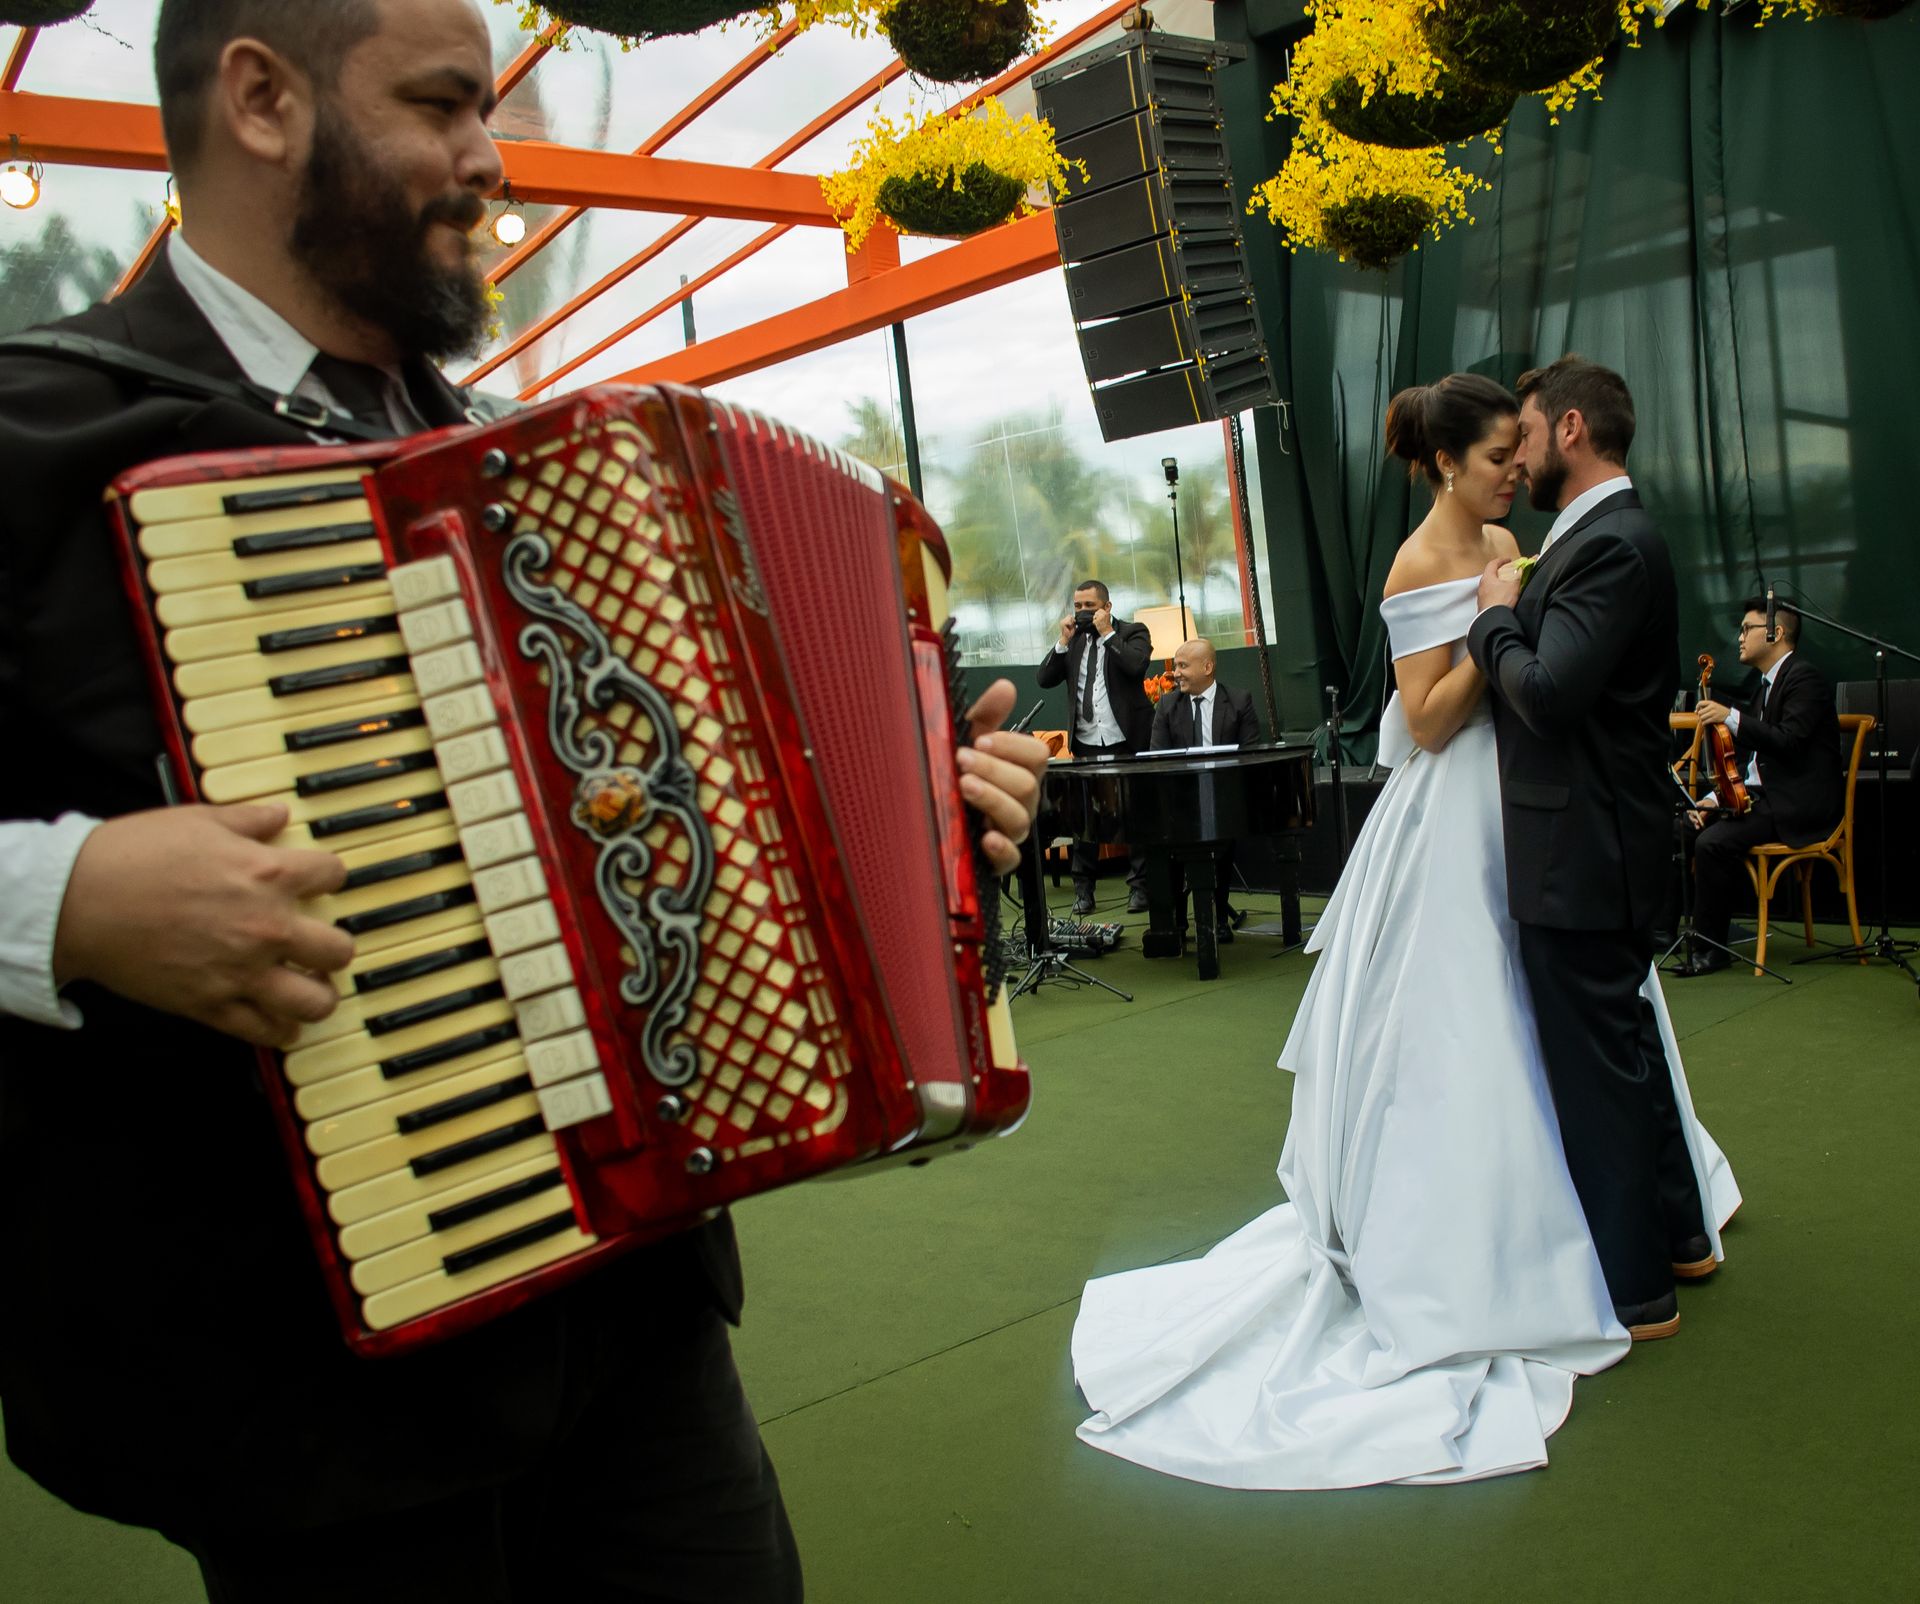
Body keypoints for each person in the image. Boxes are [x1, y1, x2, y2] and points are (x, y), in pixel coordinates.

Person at [0, 3, 1047, 1598]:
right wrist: (61, 900)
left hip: (633, 1324)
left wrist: (912, 814)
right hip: (300, 1403)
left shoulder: (521, 467)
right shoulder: (36, 429)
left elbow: (694, 808)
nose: (492, 161)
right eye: (440, 105)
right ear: (263, 99)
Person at [1070, 372, 1739, 1491]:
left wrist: (1509, 603)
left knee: (1583, 1024)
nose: (1510, 472)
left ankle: (1625, 1221)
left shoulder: (1511, 538)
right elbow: (1424, 719)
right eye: (1491, 460)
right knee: (1466, 1022)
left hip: (1536, 812)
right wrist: (1498, 619)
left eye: (1514, 459)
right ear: (1443, 465)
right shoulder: (1421, 564)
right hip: (1461, 811)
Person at [1470, 355, 1720, 1334]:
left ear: (1569, 429)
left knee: (1596, 1071)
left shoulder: (1611, 543)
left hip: (1582, 850)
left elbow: (1547, 690)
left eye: (1525, 432)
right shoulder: (1595, 537)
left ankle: (1634, 1287)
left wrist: (1493, 618)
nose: (1518, 453)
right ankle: (1683, 1240)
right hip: (1597, 842)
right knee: (1629, 1046)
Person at [1677, 597, 1843, 977]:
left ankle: (1712, 949)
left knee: (1713, 842)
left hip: (1796, 802)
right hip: (1763, 797)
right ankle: (1660, 932)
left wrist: (1730, 716)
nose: (1739, 638)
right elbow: (1749, 768)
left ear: (1776, 633)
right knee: (1684, 825)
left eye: (1746, 629)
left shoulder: (1804, 678)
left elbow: (1789, 742)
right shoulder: (1764, 687)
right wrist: (1714, 798)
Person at [1035, 578, 1153, 915]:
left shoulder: (1133, 632)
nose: (1083, 612)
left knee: (1134, 816)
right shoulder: (1073, 641)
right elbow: (1044, 679)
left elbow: (1135, 666)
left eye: (1090, 606)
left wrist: (1108, 634)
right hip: (1086, 743)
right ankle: (1084, 892)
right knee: (1084, 821)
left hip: (1125, 740)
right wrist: (1061, 641)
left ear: (1107, 607)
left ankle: (1140, 889)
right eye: (1078, 606)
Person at [1147, 637, 1260, 939]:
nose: (1176, 673)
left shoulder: (1238, 701)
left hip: (1224, 797)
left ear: (1207, 667)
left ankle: (1218, 918)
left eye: (1183, 666)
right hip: (1180, 800)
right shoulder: (1167, 704)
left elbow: (1250, 757)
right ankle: (1178, 923)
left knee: (1220, 834)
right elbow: (1158, 758)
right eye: (1176, 666)